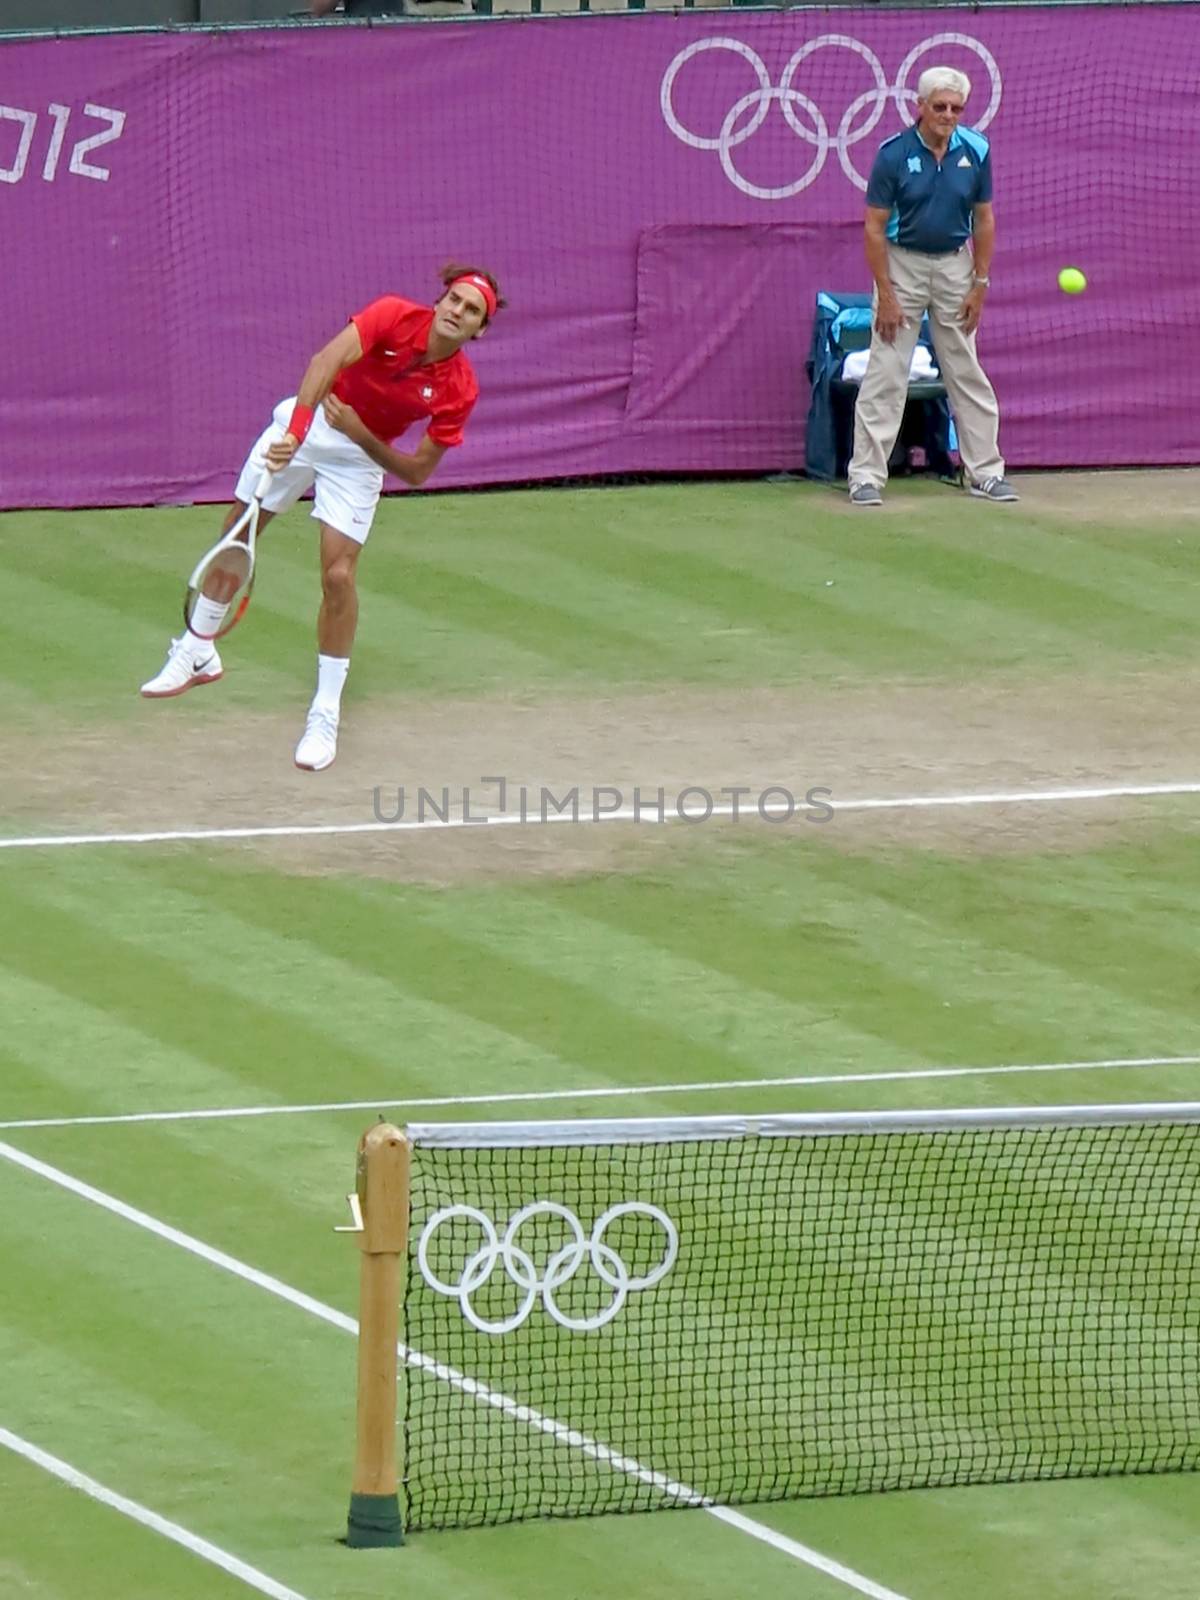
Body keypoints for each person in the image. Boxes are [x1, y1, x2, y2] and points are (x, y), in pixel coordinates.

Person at [141, 263, 505, 771]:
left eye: (471, 311)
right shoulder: (394, 314)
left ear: (479, 329)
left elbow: (419, 471)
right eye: (455, 300)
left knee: (338, 576)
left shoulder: (459, 387)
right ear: (441, 301)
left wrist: (358, 433)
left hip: (360, 456)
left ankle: (325, 711)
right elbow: (327, 359)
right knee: (237, 532)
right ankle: (197, 650)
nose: (457, 312)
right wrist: (295, 429)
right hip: (310, 424)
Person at [847, 66, 1017, 507]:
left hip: (954, 267)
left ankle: (986, 472)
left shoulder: (977, 150)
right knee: (887, 368)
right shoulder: (892, 154)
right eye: (939, 107)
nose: (947, 115)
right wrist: (885, 293)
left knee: (965, 368)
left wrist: (980, 282)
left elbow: (984, 219)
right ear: (919, 107)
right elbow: (873, 228)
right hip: (902, 265)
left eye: (956, 108)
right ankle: (865, 477)